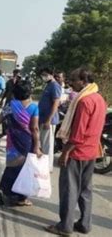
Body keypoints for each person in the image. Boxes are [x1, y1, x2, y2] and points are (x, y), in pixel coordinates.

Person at [45, 68, 107, 236]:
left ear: (83, 81)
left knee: (69, 190)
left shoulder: (84, 101)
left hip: (77, 152)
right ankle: (85, 223)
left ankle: (65, 226)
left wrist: (65, 153)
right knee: (85, 190)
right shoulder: (100, 99)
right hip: (92, 151)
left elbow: (77, 134)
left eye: (74, 80)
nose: (71, 84)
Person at [0, 81, 42, 206]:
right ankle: (20, 197)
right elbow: (34, 129)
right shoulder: (34, 108)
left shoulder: (10, 105)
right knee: (24, 169)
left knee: (12, 165)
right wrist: (37, 147)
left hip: (12, 141)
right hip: (27, 142)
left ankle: (3, 189)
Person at [38, 67, 62, 172]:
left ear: (51, 74)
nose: (43, 77)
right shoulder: (48, 85)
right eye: (42, 75)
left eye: (45, 74)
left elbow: (56, 103)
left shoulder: (55, 86)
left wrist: (48, 120)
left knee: (47, 145)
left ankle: (47, 167)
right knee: (42, 143)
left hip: (49, 120)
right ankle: (42, 165)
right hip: (42, 118)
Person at [0, 69, 22, 138]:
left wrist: (16, 82)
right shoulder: (9, 82)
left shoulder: (21, 83)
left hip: (17, 103)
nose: (16, 75)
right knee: (4, 117)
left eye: (17, 74)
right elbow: (6, 91)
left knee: (15, 119)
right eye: (15, 73)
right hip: (8, 102)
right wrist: (2, 99)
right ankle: (4, 132)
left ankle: (14, 133)